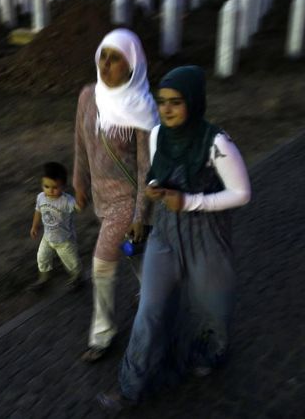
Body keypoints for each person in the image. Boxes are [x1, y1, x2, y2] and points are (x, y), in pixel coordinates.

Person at [97, 65, 252, 413]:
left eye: (176, 102)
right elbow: (155, 174)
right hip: (166, 235)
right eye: (162, 101)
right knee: (149, 310)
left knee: (212, 306)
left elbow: (242, 193)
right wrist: (153, 195)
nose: (166, 109)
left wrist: (191, 201)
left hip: (206, 237)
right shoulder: (156, 136)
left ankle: (211, 352)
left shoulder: (217, 143)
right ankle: (130, 385)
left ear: (194, 103)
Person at [73, 28, 159, 362]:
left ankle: (102, 334)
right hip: (100, 197)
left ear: (133, 65)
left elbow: (145, 171)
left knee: (102, 265)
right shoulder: (87, 97)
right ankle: (155, 292)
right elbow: (80, 143)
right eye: (103, 57)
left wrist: (140, 216)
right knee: (134, 252)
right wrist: (79, 182)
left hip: (127, 201)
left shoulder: (143, 110)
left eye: (116, 59)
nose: (106, 65)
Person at [29, 162, 83, 291]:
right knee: (41, 257)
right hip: (47, 237)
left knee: (72, 262)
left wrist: (80, 199)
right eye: (46, 186)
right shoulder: (41, 197)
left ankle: (77, 277)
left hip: (65, 240)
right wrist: (35, 226)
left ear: (63, 186)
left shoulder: (66, 200)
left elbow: (78, 207)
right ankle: (43, 278)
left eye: (55, 187)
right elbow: (38, 211)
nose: (50, 190)